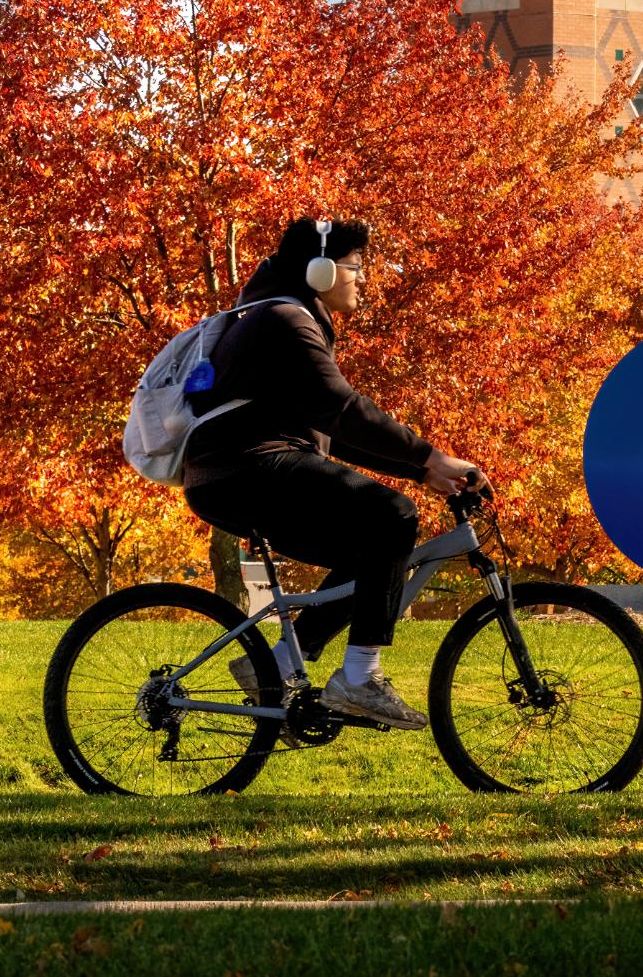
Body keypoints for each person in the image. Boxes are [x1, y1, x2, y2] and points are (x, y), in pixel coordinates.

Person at [181, 217, 487, 732]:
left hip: (233, 471)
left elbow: (334, 431)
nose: (363, 279)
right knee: (393, 516)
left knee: (375, 552)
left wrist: (420, 468)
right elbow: (342, 409)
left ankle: (277, 665)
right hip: (247, 466)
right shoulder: (285, 320)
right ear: (320, 271)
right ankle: (360, 678)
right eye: (355, 267)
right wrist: (431, 458)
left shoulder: (277, 314)